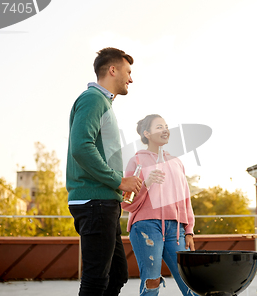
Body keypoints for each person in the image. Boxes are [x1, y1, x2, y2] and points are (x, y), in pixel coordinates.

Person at [66, 47, 142, 296]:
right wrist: (118, 180)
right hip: (94, 202)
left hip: (103, 201)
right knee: (96, 280)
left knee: (116, 275)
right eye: (128, 72)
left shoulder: (103, 103)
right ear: (112, 70)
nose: (131, 78)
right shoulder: (93, 99)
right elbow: (81, 147)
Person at [122, 114, 197, 296]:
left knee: (190, 280)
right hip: (146, 226)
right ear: (146, 133)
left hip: (176, 229)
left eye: (166, 126)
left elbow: (185, 198)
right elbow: (126, 202)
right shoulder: (137, 161)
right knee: (152, 280)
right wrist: (146, 184)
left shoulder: (176, 163)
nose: (165, 130)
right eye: (159, 127)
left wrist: (189, 230)